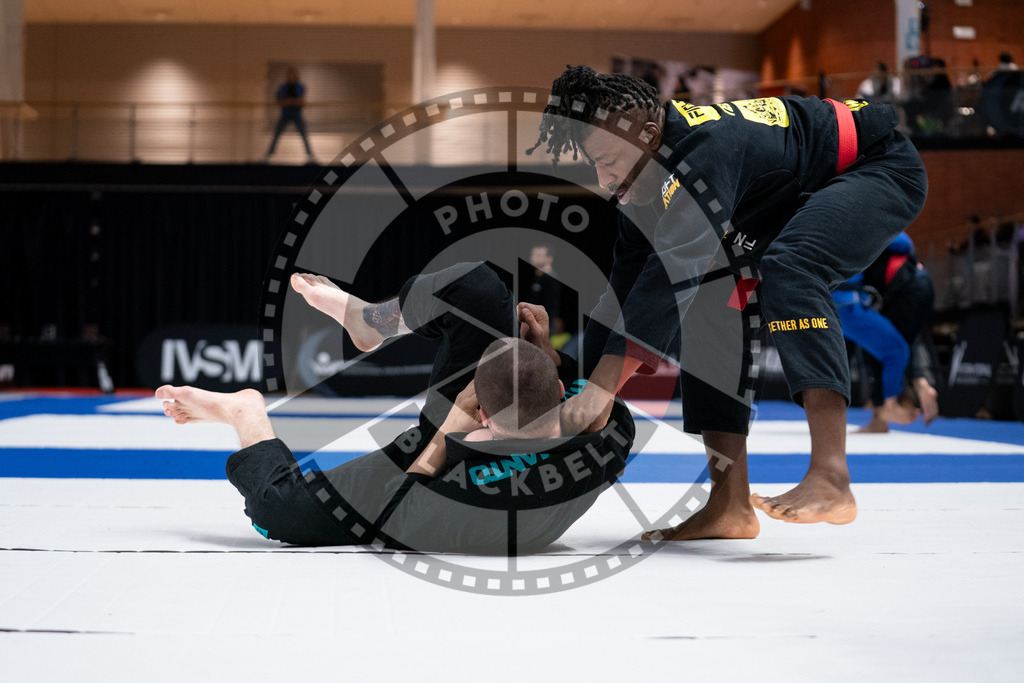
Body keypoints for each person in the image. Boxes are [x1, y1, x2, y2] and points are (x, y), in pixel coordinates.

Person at [528, 65, 927, 540]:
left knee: (789, 267)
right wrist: (580, 386)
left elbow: (671, 272)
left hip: (874, 165)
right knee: (710, 301)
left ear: (649, 135)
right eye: (592, 163)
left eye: (609, 160)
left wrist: (602, 390)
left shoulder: (706, 146)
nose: (602, 177)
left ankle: (831, 475)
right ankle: (730, 505)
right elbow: (622, 292)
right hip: (788, 196)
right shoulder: (645, 189)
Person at [158, 262, 634, 555]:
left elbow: (402, 505)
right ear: (561, 389)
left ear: (479, 414)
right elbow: (577, 397)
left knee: (277, 510)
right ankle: (369, 320)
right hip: (489, 427)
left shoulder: (468, 504)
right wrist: (542, 350)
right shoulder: (608, 433)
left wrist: (448, 428)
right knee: (478, 291)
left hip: (433, 473)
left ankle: (245, 413)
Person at [833, 232, 939, 432]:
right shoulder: (860, 230)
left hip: (902, 291)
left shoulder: (863, 230)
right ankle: (890, 406)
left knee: (891, 348)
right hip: (851, 301)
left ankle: (890, 406)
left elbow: (904, 243)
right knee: (892, 348)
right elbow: (904, 243)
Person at [263, 67, 315, 163]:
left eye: (293, 75)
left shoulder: (300, 87)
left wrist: (292, 102)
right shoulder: (283, 87)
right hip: (285, 115)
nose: (291, 77)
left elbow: (301, 102)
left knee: (304, 135)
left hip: (297, 114)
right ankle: (267, 157)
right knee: (276, 135)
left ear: (296, 76)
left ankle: (311, 157)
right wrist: (289, 102)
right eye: (289, 76)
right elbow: (280, 101)